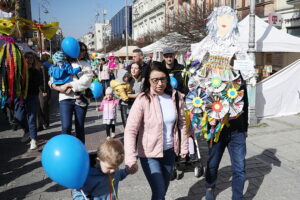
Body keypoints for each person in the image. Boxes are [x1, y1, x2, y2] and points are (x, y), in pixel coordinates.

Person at [188, 6, 255, 200]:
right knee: (212, 163)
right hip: (215, 126)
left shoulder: (238, 69)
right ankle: (210, 189)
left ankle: (237, 197)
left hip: (236, 128)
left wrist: (246, 126)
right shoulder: (207, 60)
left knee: (240, 167)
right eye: (221, 19)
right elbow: (195, 85)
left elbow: (245, 98)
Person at [124, 62, 188, 200]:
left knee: (161, 191)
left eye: (162, 79)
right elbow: (130, 130)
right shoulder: (143, 99)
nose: (159, 83)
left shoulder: (176, 97)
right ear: (148, 80)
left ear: (167, 78)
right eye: (155, 80)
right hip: (149, 154)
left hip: (169, 152)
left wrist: (184, 147)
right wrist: (130, 157)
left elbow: (182, 124)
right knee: (159, 192)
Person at [51, 42, 93, 144]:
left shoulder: (86, 65)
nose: (81, 52)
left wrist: (69, 85)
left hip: (81, 99)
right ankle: (66, 150)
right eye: (80, 50)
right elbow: (52, 79)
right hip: (65, 98)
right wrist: (58, 87)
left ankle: (80, 152)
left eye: (84, 50)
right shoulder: (62, 63)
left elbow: (86, 81)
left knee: (80, 128)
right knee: (66, 127)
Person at [16, 52, 42, 150]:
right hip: (21, 97)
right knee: (18, 116)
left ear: (33, 59)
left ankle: (33, 139)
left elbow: (36, 85)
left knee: (31, 118)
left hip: (32, 96)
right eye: (26, 57)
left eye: (31, 57)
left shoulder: (36, 72)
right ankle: (27, 131)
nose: (29, 59)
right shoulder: (19, 71)